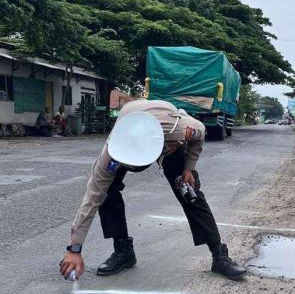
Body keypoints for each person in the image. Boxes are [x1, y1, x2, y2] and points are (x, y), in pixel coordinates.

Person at [59, 99, 247, 281]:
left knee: (190, 192)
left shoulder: (182, 131)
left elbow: (202, 132)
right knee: (105, 193)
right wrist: (74, 249)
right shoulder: (112, 153)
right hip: (132, 122)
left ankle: (219, 255)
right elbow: (91, 200)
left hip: (165, 128)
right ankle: (124, 252)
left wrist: (188, 168)